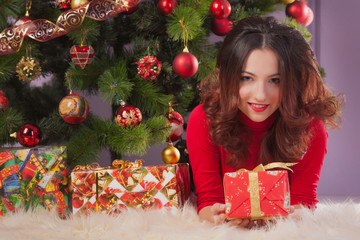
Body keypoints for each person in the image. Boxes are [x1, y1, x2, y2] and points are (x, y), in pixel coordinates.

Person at [186, 16, 343, 228]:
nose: (260, 95)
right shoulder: (204, 120)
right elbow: (207, 202)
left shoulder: (310, 127)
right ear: (228, 76)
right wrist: (217, 216)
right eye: (247, 78)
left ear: (292, 81)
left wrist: (284, 217)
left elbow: (304, 202)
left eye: (275, 81)